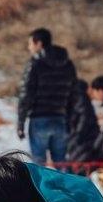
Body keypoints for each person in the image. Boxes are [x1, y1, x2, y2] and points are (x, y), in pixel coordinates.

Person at [16, 27, 77, 168]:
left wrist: (20, 122)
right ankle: (64, 190)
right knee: (61, 164)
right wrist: (70, 119)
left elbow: (26, 95)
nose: (29, 47)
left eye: (30, 43)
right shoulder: (68, 64)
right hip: (60, 119)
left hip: (39, 120)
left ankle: (40, 190)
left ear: (39, 44)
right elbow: (74, 94)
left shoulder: (34, 64)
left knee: (39, 166)